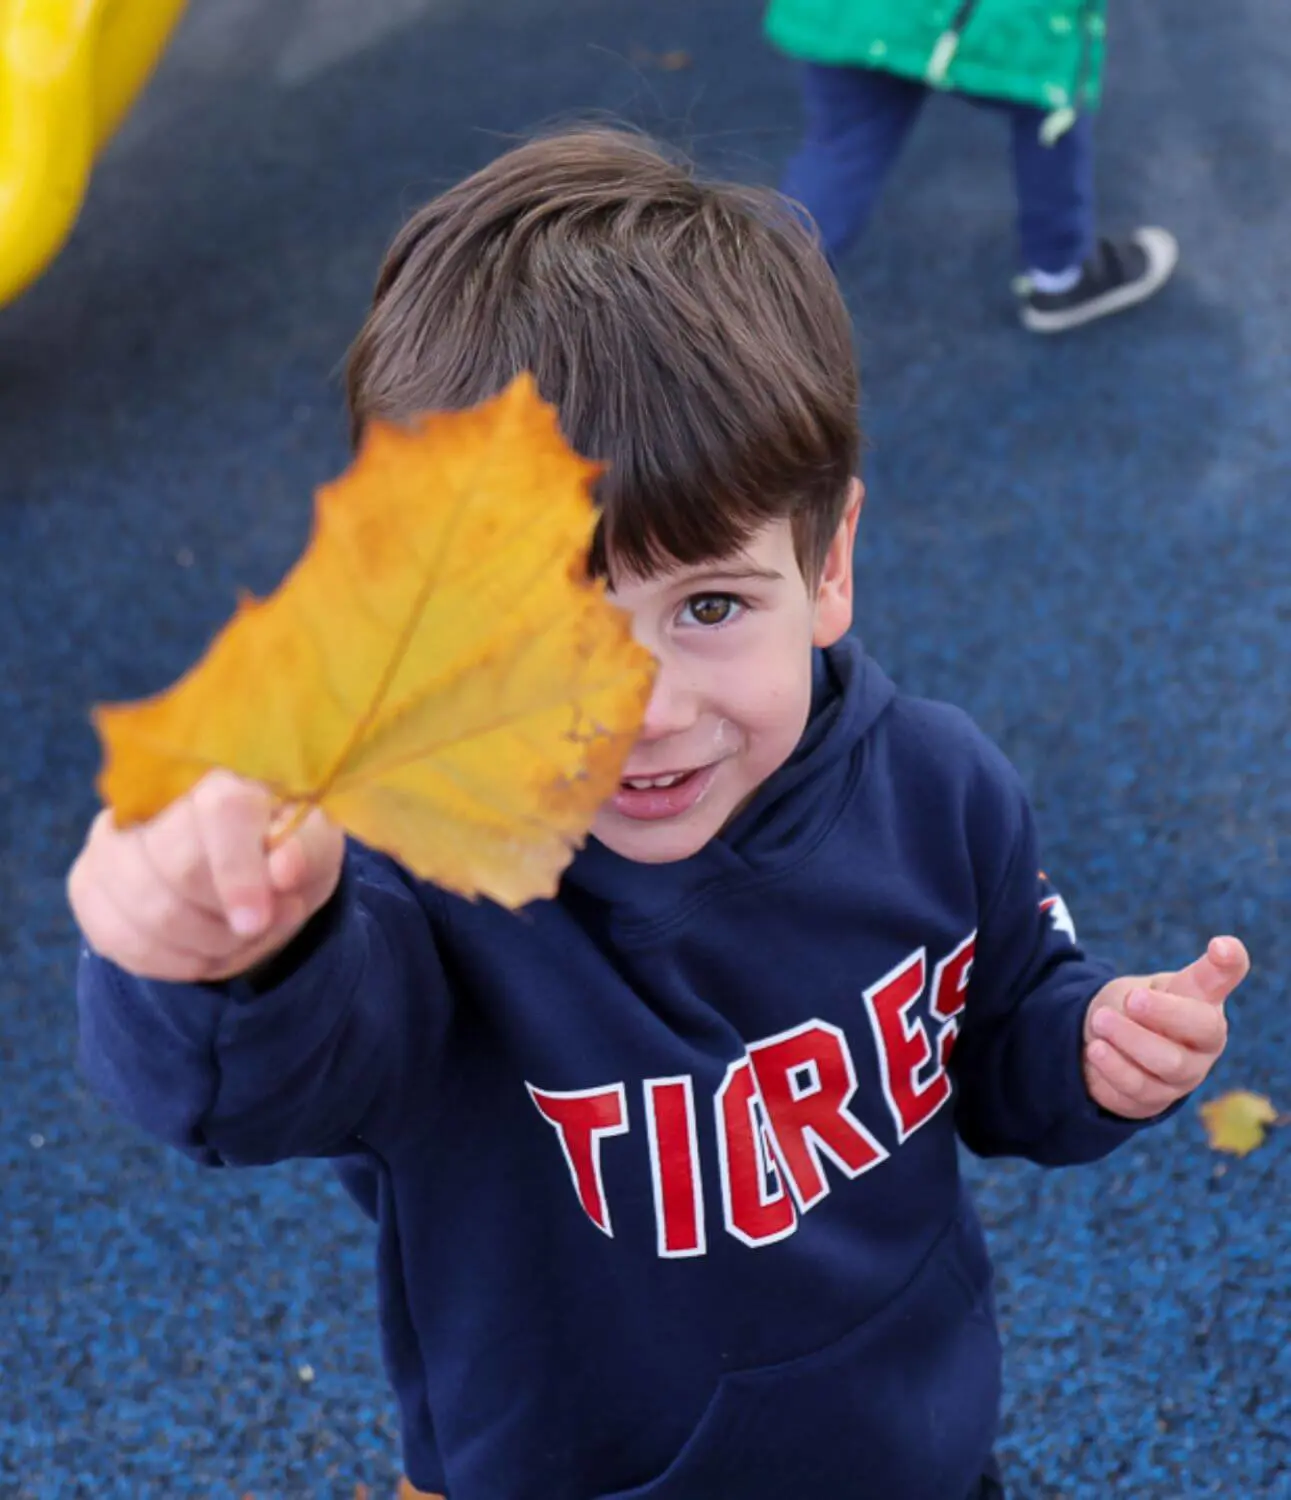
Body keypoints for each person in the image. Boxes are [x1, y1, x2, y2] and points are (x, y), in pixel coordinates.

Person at [69, 129, 1245, 1500]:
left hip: (907, 1454)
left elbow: (999, 1033)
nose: (636, 712)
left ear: (828, 564)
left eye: (706, 607)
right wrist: (211, 950)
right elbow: (244, 1085)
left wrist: (1086, 1047)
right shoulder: (419, 879)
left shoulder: (938, 788)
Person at [765, 0, 1179, 332]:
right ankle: (1059, 276)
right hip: (1003, 22)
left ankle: (757, 297)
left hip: (856, 14)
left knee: (842, 147)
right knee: (1049, 112)